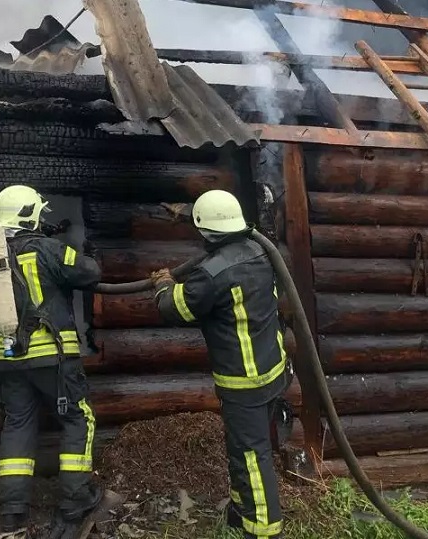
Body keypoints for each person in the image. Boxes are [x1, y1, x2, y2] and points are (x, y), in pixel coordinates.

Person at [150, 189, 292, 539]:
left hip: (244, 383)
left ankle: (264, 530)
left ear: (207, 231)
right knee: (243, 449)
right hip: (272, 371)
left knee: (252, 456)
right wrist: (187, 211)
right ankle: (242, 511)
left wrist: (164, 284)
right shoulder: (260, 250)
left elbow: (176, 308)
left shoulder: (211, 274)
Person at [0, 185, 103, 538]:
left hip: (9, 357)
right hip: (51, 356)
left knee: (17, 425)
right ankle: (75, 499)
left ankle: (12, 511)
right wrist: (89, 254)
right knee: (78, 418)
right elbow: (88, 272)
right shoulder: (47, 249)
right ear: (30, 216)